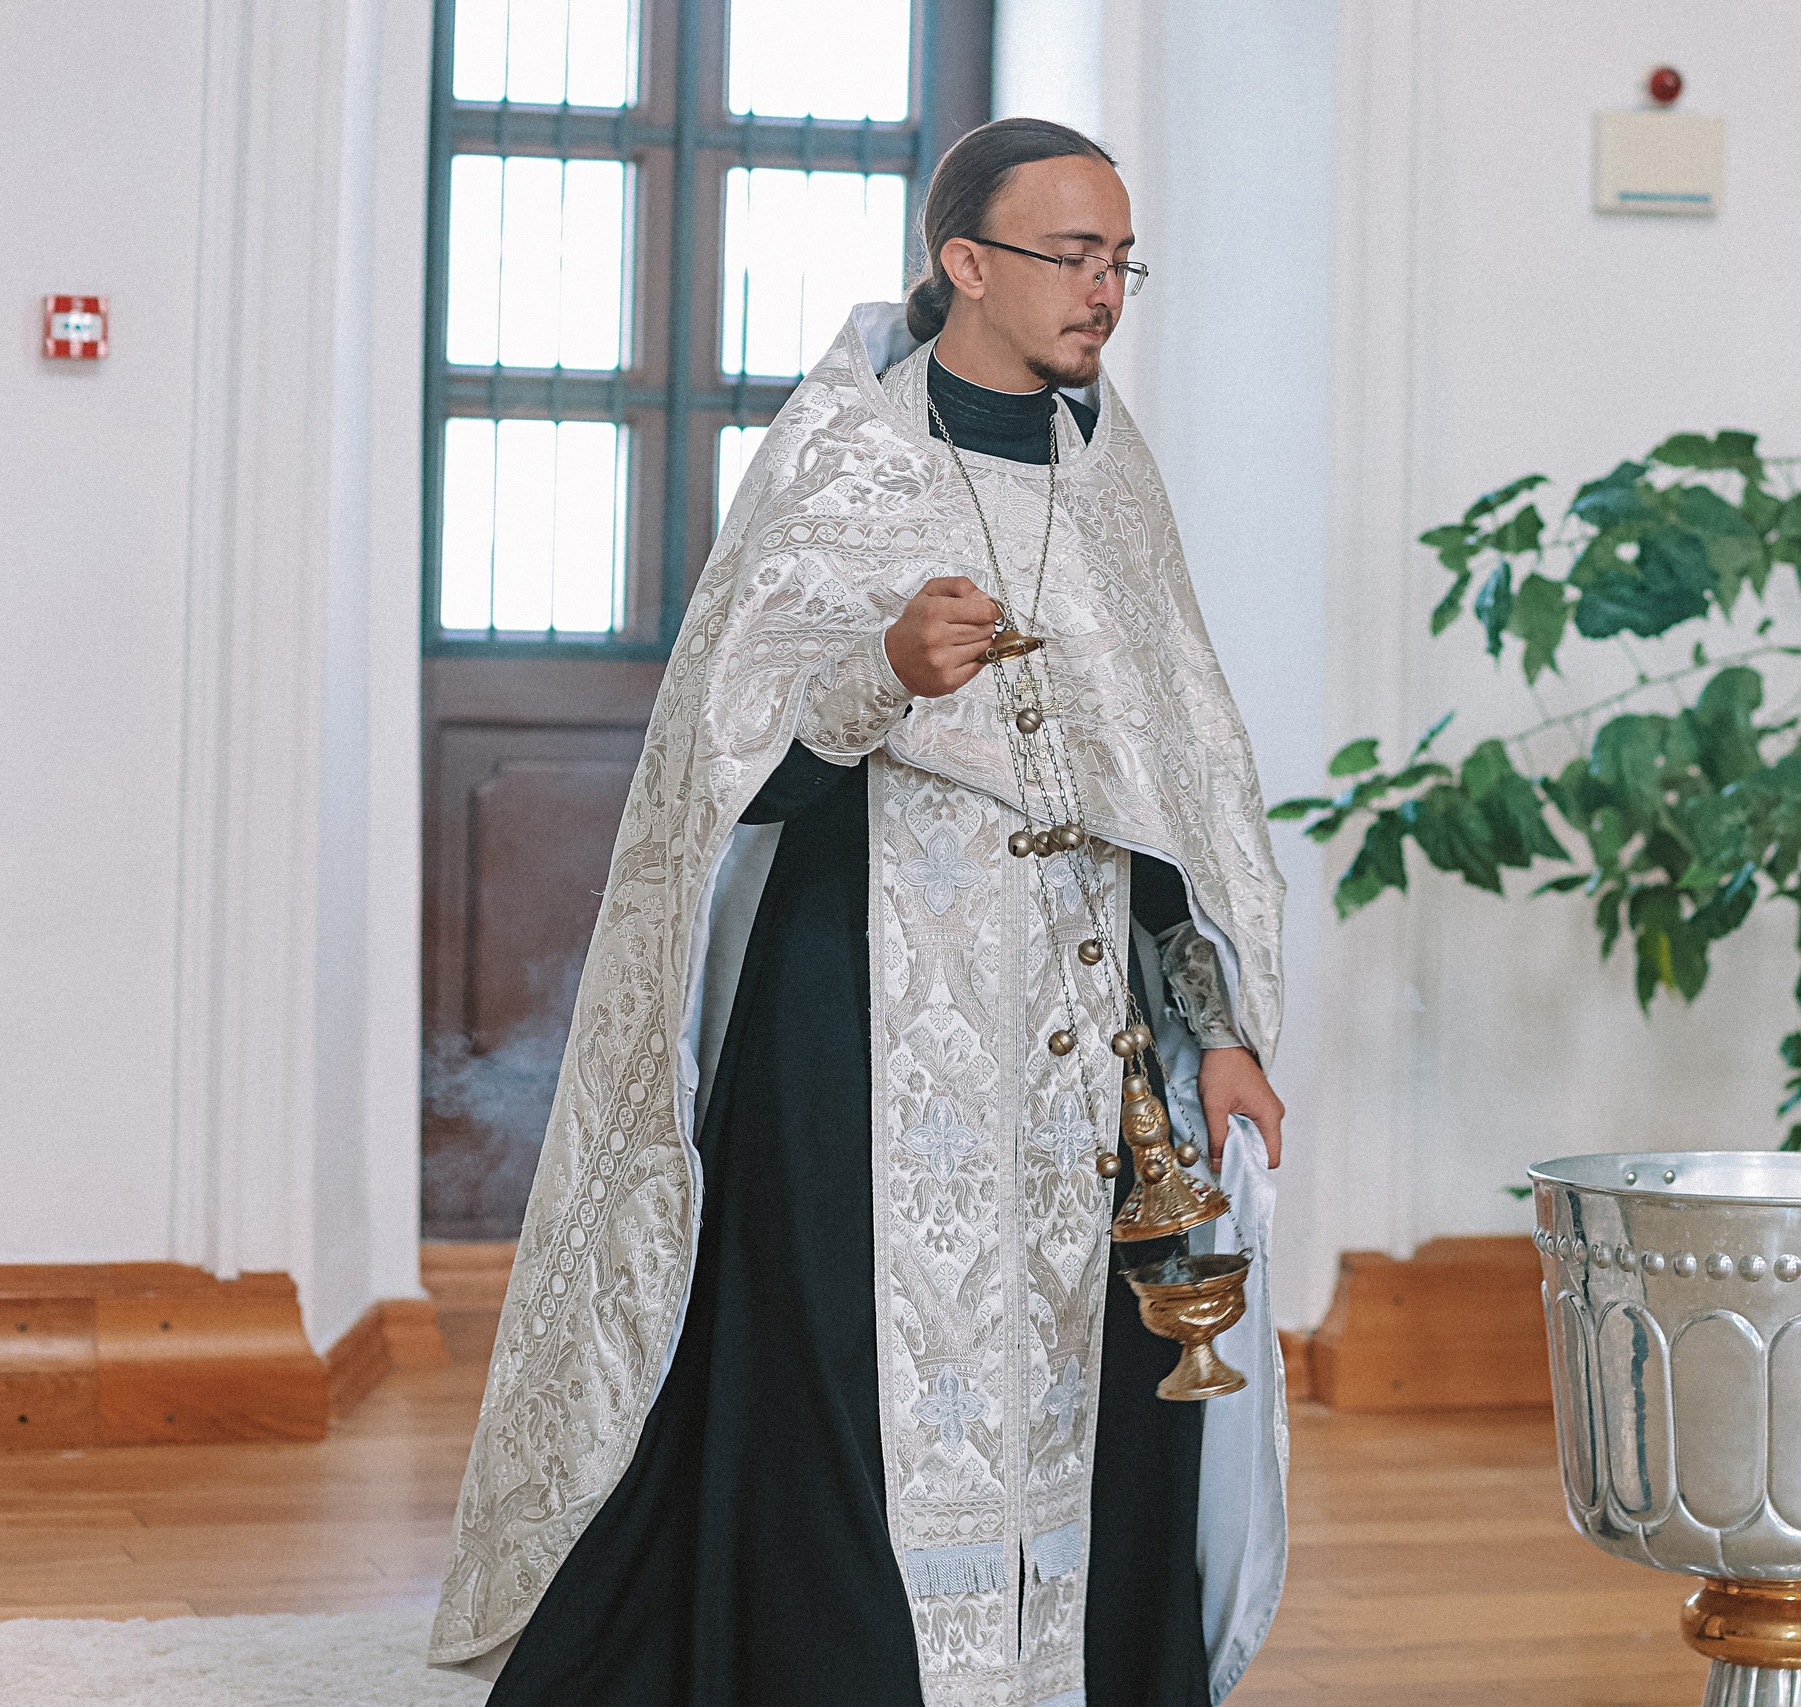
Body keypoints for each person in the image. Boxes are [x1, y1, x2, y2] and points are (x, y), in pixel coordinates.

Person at [428, 118, 1290, 1707]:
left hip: (1085, 1045)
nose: (1105, 291)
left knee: (1102, 1389)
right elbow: (727, 775)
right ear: (966, 262)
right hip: (859, 1025)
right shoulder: (843, 456)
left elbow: (1163, 784)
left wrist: (1215, 1027)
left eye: (1122, 261)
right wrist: (878, 671)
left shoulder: (1112, 482)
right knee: (840, 1383)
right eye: (1071, 256)